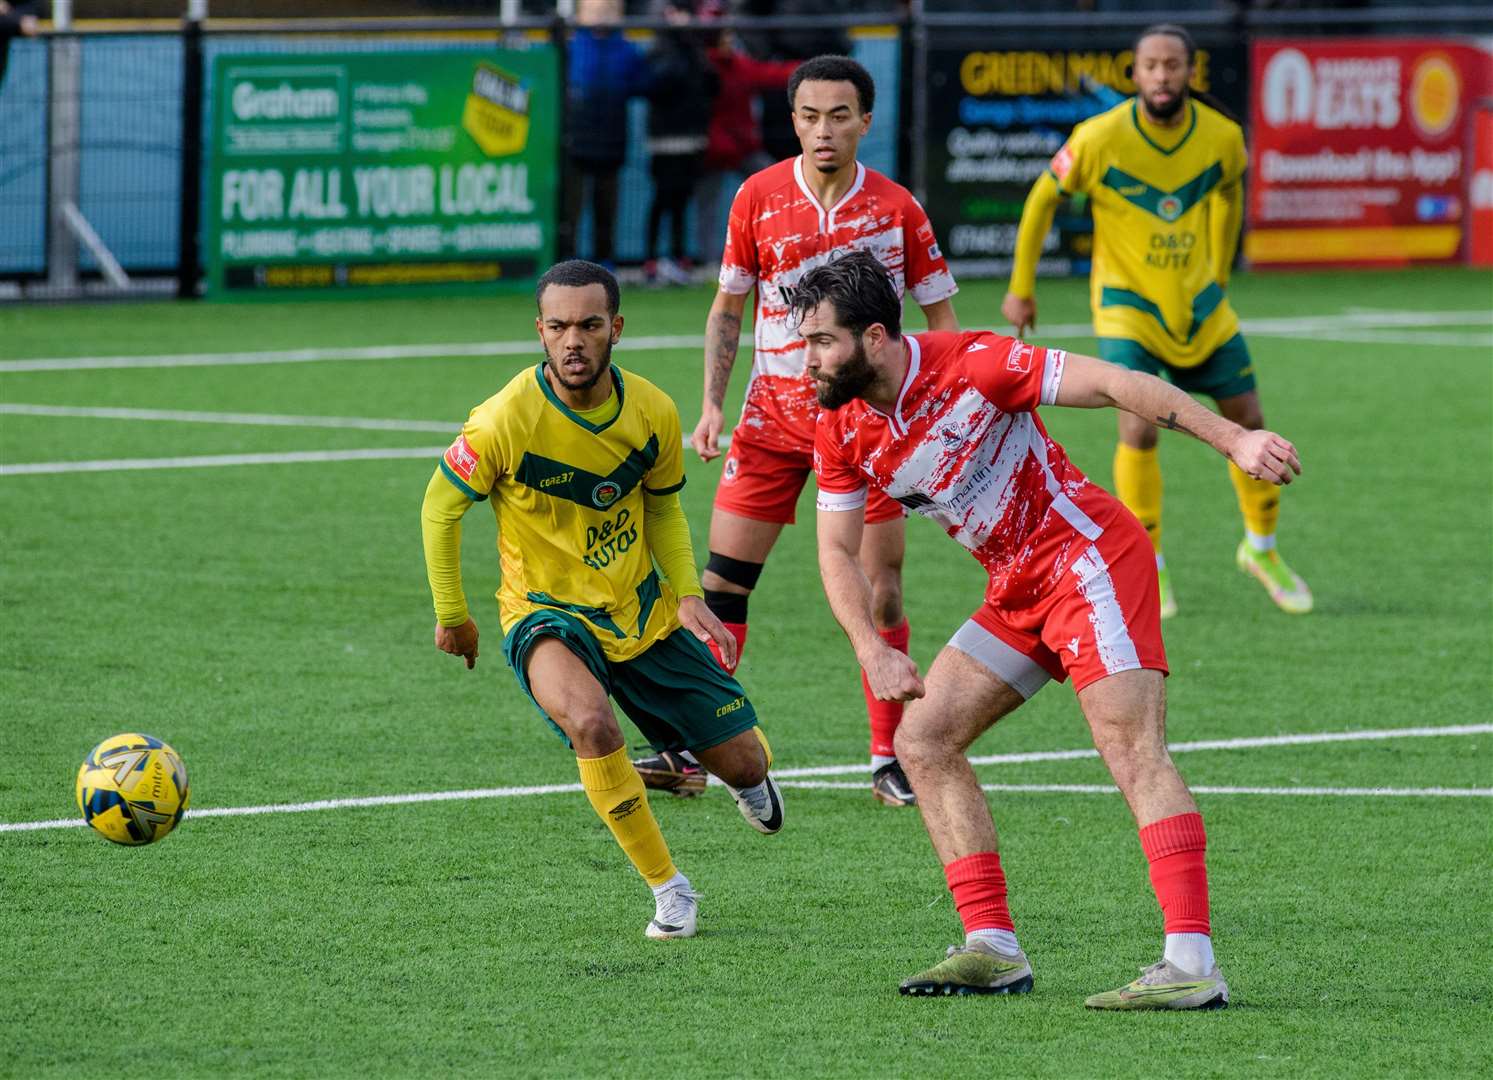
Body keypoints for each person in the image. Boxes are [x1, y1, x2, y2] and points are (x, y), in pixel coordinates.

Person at [804, 250, 1301, 1006]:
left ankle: (1191, 963)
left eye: (820, 341)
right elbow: (835, 553)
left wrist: (1232, 440)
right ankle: (992, 949)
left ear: (873, 338)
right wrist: (870, 649)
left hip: (1089, 558)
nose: (805, 358)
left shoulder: (975, 364)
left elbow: (1114, 384)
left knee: (1128, 745)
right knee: (922, 740)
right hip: (1017, 589)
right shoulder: (840, 427)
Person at [421, 259, 784, 941]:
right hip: (543, 613)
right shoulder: (502, 419)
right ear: (540, 331)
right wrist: (453, 616)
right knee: (592, 725)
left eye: (589, 325)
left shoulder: (651, 411)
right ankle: (669, 889)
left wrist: (686, 594)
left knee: (744, 760)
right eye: (557, 327)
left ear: (616, 327)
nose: (573, 341)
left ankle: (745, 778)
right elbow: (440, 509)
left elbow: (665, 513)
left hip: (640, 613)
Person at [633, 54, 958, 809]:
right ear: (793, 122)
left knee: (880, 593)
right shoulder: (755, 196)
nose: (823, 130)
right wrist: (712, 405)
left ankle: (892, 753)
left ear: (864, 123)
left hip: (869, 429)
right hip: (771, 421)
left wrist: (941, 410)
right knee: (720, 588)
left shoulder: (897, 209)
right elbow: (726, 308)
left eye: (839, 115)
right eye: (808, 116)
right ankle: (689, 745)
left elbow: (942, 317)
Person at [1002, 23, 1311, 619]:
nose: (1163, 75)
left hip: (1200, 307)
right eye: (1152, 65)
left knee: (1248, 420)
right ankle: (1153, 562)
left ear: (1190, 72)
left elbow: (1230, 194)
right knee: (1138, 429)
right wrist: (1021, 288)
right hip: (1127, 308)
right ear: (1135, 74)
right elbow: (1043, 199)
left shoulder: (1223, 137)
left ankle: (1262, 549)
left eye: (1173, 65)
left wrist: (1219, 270)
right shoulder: (1099, 137)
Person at [562, 1, 652, 267]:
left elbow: (643, 83)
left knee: (607, 206)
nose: (601, 16)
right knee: (571, 208)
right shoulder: (570, 47)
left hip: (612, 141)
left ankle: (605, 261)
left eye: (608, 10)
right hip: (575, 141)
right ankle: (567, 262)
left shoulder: (627, 50)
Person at [643, 1, 719, 285]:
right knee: (663, 198)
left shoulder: (696, 49)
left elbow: (712, 85)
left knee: (682, 200)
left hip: (692, 135)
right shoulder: (660, 48)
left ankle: (678, 257)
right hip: (664, 137)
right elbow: (658, 85)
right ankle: (650, 260)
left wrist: (691, 44)